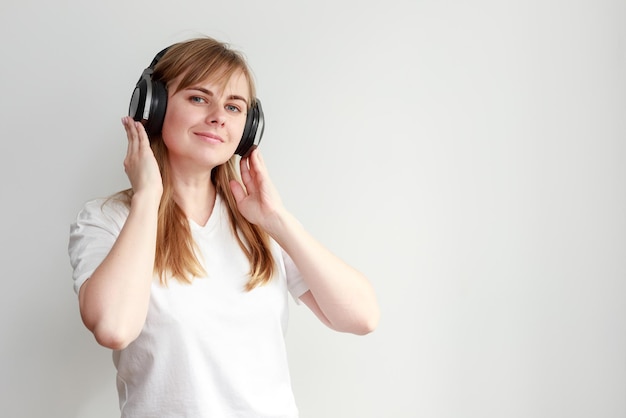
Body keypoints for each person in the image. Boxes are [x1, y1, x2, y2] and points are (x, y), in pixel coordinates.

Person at [68, 36, 379, 418]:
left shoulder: (259, 225)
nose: (218, 116)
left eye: (234, 107)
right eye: (199, 98)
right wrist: (148, 196)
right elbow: (113, 327)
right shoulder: (107, 219)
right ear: (154, 107)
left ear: (247, 129)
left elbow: (362, 317)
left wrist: (278, 220)